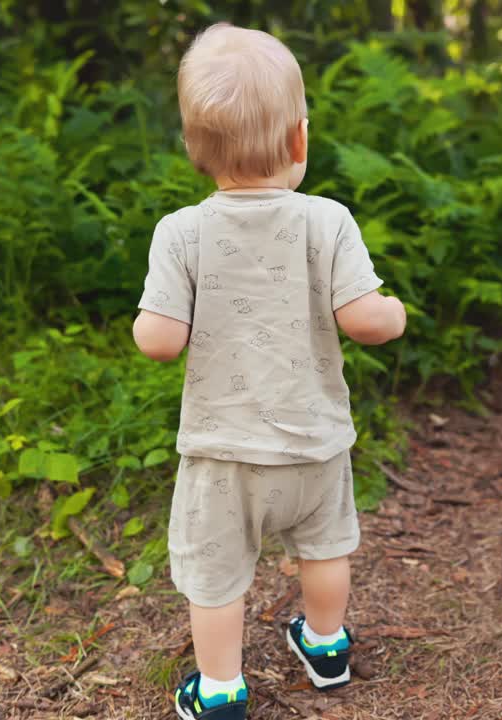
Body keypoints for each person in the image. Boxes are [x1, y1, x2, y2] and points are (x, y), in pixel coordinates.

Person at [132, 23, 407, 720]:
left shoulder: (181, 233)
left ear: (197, 150)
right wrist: (394, 311)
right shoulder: (328, 222)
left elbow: (160, 341)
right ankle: (325, 645)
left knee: (216, 577)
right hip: (314, 444)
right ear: (299, 141)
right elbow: (365, 320)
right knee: (324, 548)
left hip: (224, 456)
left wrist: (151, 321)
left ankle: (220, 690)